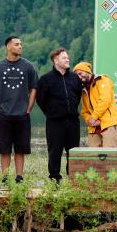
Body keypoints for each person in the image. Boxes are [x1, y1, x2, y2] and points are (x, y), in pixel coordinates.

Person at [0, 35, 38, 183]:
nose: (20, 46)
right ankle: (4, 177)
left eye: (21, 44)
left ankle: (19, 177)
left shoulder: (28, 67)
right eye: (17, 44)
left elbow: (34, 88)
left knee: (21, 148)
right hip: (4, 114)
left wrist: (28, 109)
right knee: (4, 148)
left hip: (22, 114)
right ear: (8, 47)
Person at [36, 47, 82, 183]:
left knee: (73, 151)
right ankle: (54, 178)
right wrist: (52, 113)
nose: (67, 60)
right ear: (56, 60)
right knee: (54, 151)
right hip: (55, 122)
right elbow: (41, 100)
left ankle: (73, 178)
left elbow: (77, 96)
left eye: (68, 57)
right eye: (64, 58)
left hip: (73, 121)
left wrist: (71, 109)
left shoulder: (75, 78)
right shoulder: (46, 79)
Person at [74, 61, 117, 147]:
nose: (79, 76)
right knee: (92, 157)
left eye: (80, 73)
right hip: (94, 128)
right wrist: (90, 121)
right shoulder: (83, 89)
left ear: (87, 71)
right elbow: (84, 111)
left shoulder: (103, 80)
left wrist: (93, 117)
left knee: (109, 157)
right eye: (77, 75)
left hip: (109, 124)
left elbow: (104, 100)